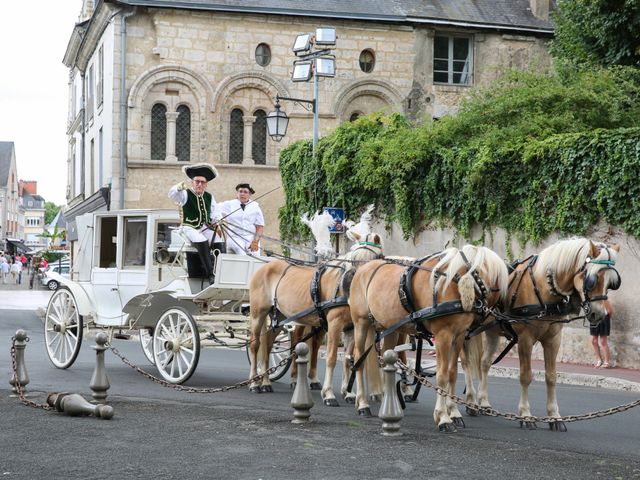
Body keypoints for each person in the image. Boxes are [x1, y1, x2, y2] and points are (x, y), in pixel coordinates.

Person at [168, 163, 220, 285]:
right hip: (189, 227)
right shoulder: (185, 194)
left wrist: (217, 222)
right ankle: (210, 274)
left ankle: (219, 272)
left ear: (206, 184)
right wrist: (178, 188)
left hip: (204, 226)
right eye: (197, 181)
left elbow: (215, 212)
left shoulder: (209, 197)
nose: (199, 184)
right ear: (192, 182)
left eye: (202, 182)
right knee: (201, 239)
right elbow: (172, 195)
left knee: (218, 240)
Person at [217, 183, 264, 256]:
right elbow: (214, 209)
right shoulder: (229, 204)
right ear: (237, 193)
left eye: (245, 192)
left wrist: (255, 241)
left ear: (250, 194)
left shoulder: (255, 206)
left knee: (255, 254)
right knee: (241, 252)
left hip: (250, 238)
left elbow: (260, 226)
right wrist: (215, 223)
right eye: (240, 191)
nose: (242, 194)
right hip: (234, 238)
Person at [591, 300, 613, 368]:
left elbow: (610, 311)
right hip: (594, 319)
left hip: (603, 319)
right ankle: (599, 360)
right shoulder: (591, 300)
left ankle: (607, 362)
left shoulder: (604, 300)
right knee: (593, 341)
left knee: (603, 341)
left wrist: (605, 319)